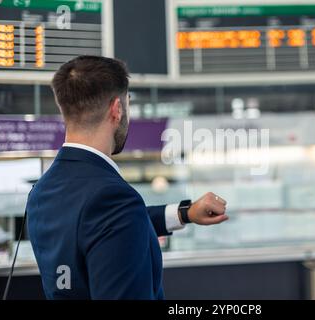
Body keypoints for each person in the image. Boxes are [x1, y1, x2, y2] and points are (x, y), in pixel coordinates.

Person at [26, 56, 229, 300]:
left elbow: (103, 231)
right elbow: (113, 223)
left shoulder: (42, 190)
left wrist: (184, 213)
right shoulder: (112, 197)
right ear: (117, 109)